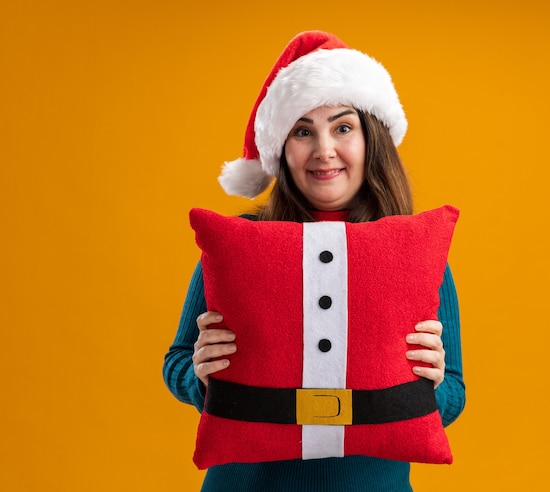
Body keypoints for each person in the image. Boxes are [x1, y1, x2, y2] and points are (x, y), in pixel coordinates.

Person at [163, 30, 465, 491]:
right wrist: (201, 376)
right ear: (282, 149)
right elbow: (177, 361)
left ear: (372, 141)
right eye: (303, 131)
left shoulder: (417, 254)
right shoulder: (239, 245)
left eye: (343, 127)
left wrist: (432, 382)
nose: (324, 150)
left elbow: (453, 397)